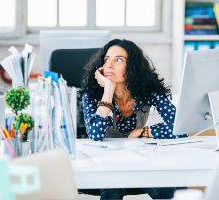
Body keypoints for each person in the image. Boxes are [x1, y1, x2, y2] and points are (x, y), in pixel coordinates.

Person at [80, 39, 187, 199]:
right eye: (107, 59)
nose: (109, 65)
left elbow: (180, 127)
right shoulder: (92, 94)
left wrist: (145, 131)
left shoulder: (148, 90)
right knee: (112, 191)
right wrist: (108, 90)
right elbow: (95, 135)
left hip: (139, 157)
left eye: (119, 60)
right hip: (106, 161)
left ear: (132, 67)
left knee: (166, 189)